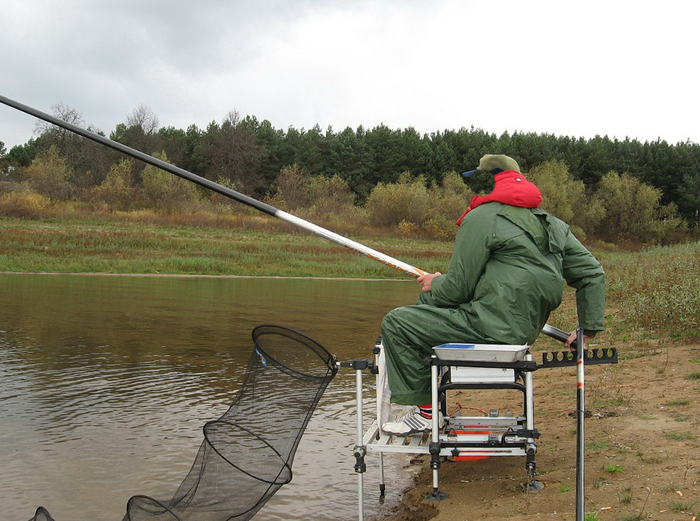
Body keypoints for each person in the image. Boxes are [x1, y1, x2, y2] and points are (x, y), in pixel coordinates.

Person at [381, 154, 605, 435]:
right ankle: (429, 397)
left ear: (490, 183)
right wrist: (588, 330)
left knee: (397, 323)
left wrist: (435, 282)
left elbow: (457, 289)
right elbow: (592, 274)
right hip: (522, 334)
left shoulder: (482, 217)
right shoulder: (553, 224)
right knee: (428, 303)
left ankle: (426, 413)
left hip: (491, 328)